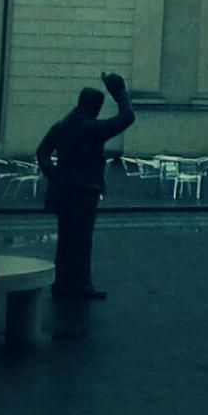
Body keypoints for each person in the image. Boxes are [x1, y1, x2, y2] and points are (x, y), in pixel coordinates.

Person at [37, 72, 136, 300]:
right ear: (95, 107)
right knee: (81, 240)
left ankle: (61, 285)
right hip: (84, 190)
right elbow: (128, 116)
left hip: (62, 188)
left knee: (66, 240)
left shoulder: (61, 126)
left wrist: (49, 171)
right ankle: (81, 286)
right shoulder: (92, 129)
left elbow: (42, 151)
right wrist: (119, 92)